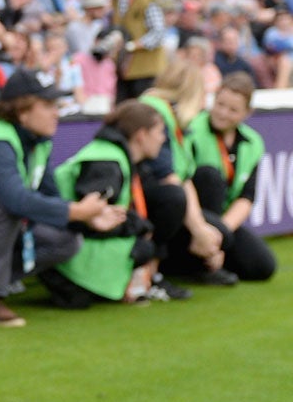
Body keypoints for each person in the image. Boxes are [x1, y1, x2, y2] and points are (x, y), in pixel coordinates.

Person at [0, 73, 125, 326]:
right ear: (22, 111)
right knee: (3, 204)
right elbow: (15, 200)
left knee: (66, 241)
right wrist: (77, 212)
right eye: (48, 105)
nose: (57, 113)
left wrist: (87, 220)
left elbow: (50, 196)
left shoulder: (37, 139)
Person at [46, 102, 172, 307]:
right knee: (143, 246)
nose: (163, 138)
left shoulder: (114, 155)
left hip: (69, 236)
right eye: (159, 132)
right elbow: (94, 218)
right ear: (141, 135)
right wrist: (137, 226)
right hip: (64, 243)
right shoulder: (107, 162)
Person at [137, 56, 232, 289]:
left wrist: (202, 229)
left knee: (219, 232)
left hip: (154, 198)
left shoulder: (173, 118)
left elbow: (184, 175)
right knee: (173, 196)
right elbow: (167, 176)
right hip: (139, 202)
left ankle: (196, 261)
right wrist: (199, 230)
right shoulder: (153, 111)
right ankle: (153, 272)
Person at [186, 70, 277, 282]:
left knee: (263, 266)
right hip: (192, 218)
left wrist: (221, 234)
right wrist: (204, 231)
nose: (223, 113)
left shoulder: (253, 142)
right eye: (220, 104)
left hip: (222, 220)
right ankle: (200, 264)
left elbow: (247, 196)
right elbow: (182, 181)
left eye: (233, 109)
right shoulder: (192, 130)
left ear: (247, 112)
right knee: (209, 177)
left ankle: (214, 255)